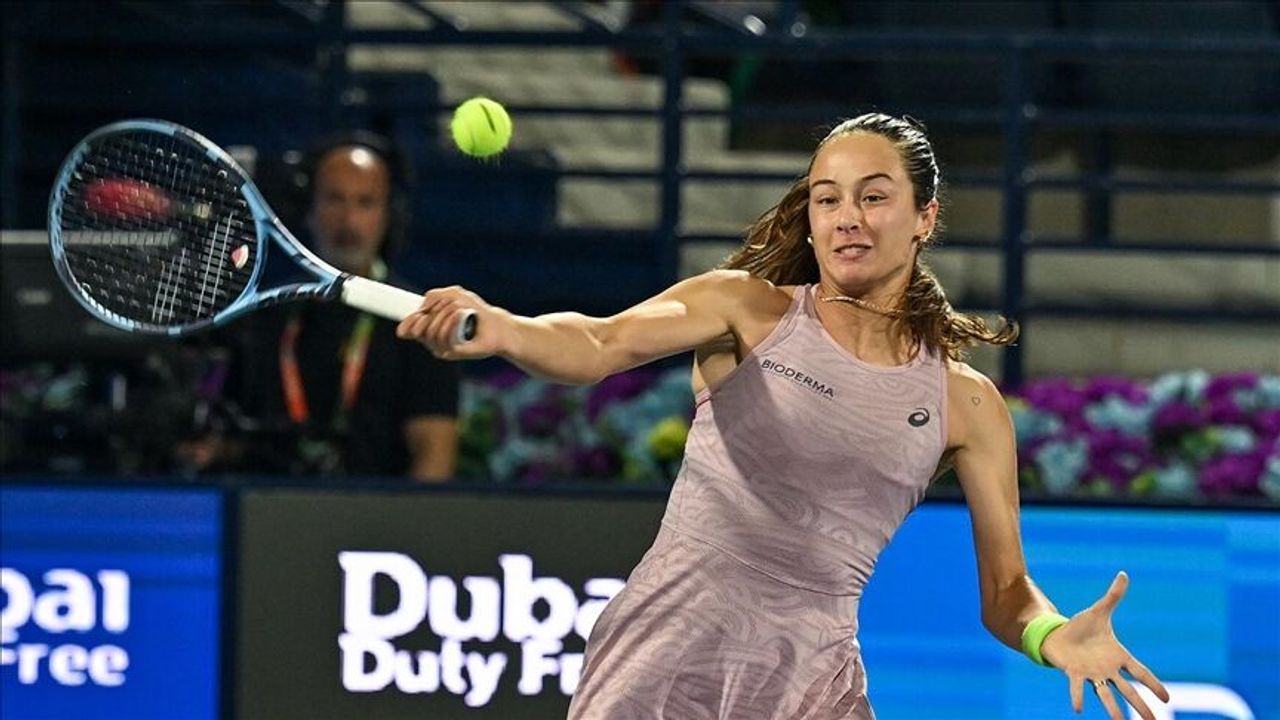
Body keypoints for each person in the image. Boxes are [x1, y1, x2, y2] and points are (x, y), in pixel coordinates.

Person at [396, 113, 1169, 719]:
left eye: (873, 196)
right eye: (827, 199)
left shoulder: (965, 404)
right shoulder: (744, 309)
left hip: (810, 687)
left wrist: (1052, 635)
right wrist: (505, 329)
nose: (846, 218)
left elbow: (1006, 593)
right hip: (664, 662)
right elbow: (600, 343)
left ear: (925, 217)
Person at [233, 132, 460, 482]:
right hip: (270, 506)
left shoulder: (420, 321)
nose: (348, 219)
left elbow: (435, 456)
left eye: (365, 202)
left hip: (378, 513)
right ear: (307, 208)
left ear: (388, 216)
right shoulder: (266, 314)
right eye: (334, 199)